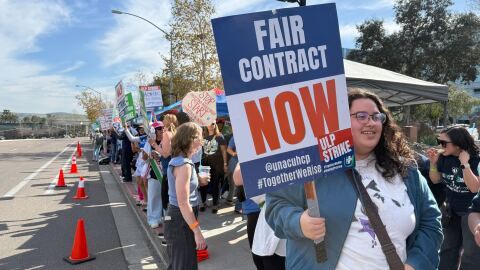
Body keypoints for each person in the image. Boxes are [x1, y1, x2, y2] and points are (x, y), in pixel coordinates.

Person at [265, 89, 443, 270]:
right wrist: (298, 222)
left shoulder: (407, 171)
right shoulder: (311, 168)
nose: (371, 122)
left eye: (376, 117)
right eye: (361, 116)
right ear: (339, 122)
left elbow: (431, 223)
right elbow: (275, 207)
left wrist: (415, 264)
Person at [426, 125, 480, 270]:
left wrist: (464, 164)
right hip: (451, 211)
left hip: (471, 213)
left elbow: (474, 187)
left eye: (444, 143)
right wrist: (433, 163)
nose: (440, 146)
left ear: (458, 144)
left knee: (470, 254)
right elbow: (436, 180)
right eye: (439, 141)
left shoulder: (475, 159)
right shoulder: (444, 158)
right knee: (447, 249)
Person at [164, 122, 210, 270]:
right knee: (184, 265)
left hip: (180, 219)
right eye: (199, 137)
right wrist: (197, 232)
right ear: (189, 139)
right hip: (180, 220)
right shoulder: (184, 165)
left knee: (180, 264)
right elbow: (183, 203)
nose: (201, 141)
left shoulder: (183, 162)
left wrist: (198, 181)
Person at [200, 120, 228, 213]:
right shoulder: (203, 136)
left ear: (215, 124)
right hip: (205, 162)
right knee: (203, 184)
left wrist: (225, 164)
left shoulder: (220, 136)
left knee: (215, 183)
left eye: (212, 123)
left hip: (217, 163)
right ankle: (203, 202)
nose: (210, 125)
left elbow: (224, 151)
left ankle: (215, 204)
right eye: (208, 123)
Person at [144, 121, 165, 228]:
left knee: (164, 197)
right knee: (153, 196)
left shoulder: (167, 141)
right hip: (155, 173)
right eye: (159, 129)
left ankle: (161, 217)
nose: (162, 130)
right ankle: (153, 218)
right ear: (154, 131)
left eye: (163, 128)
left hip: (166, 174)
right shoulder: (150, 143)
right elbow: (144, 158)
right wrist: (149, 155)